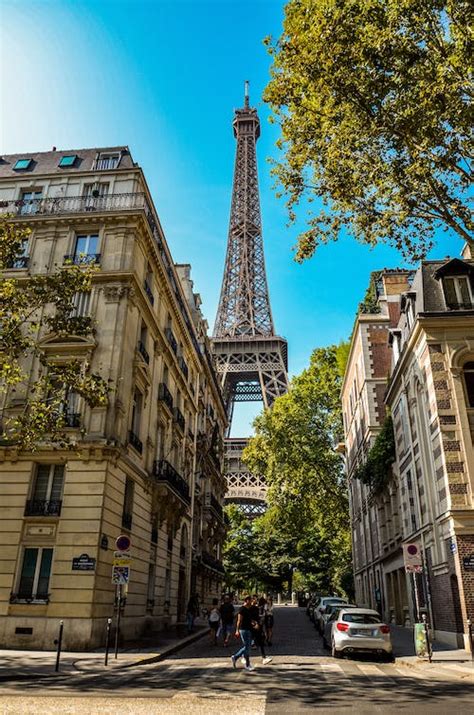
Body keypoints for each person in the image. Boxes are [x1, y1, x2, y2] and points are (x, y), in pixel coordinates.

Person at [231, 595, 255, 671]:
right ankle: (245, 663)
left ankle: (236, 658)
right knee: (247, 646)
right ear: (247, 600)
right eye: (251, 600)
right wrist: (237, 630)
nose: (251, 602)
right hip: (243, 630)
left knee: (247, 646)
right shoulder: (242, 609)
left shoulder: (248, 609)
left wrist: (254, 623)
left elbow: (250, 619)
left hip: (249, 629)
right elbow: (239, 621)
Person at [250, 594, 272, 665]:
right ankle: (238, 656)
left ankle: (264, 658)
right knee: (248, 644)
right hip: (253, 627)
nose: (255, 601)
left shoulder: (256, 608)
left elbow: (258, 616)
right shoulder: (250, 608)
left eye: (256, 599)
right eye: (254, 599)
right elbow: (249, 617)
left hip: (257, 627)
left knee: (261, 641)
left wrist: (259, 622)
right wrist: (255, 623)